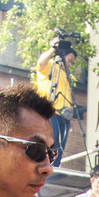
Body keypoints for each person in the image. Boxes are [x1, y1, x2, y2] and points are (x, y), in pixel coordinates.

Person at [33, 37, 76, 167]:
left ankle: (55, 167)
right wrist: (53, 48)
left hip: (64, 116)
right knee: (53, 142)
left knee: (60, 146)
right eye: (69, 61)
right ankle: (48, 166)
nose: (69, 65)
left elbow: (67, 97)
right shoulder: (51, 65)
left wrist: (71, 118)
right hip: (51, 111)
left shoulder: (66, 75)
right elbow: (41, 63)